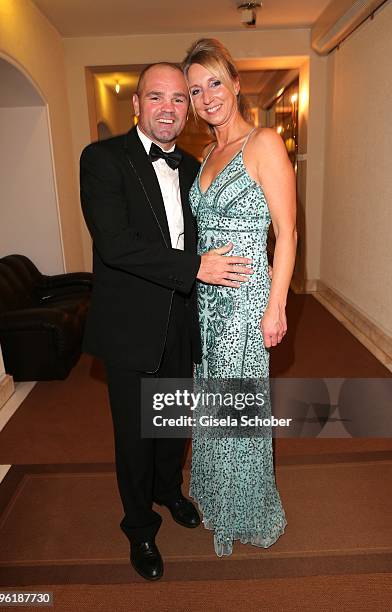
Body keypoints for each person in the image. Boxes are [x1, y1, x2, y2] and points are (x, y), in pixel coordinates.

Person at [79, 62, 253, 580]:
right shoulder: (103, 159)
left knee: (174, 425)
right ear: (136, 105)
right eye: (157, 98)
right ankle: (139, 527)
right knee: (134, 436)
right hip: (131, 324)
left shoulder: (196, 164)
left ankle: (168, 492)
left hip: (184, 319)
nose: (169, 109)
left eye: (180, 99)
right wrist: (196, 266)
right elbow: (116, 245)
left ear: (189, 110)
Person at [181, 39, 297, 556]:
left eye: (213, 82)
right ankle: (217, 495)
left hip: (244, 303)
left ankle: (245, 508)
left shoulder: (264, 142)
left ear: (235, 82)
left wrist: (277, 305)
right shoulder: (206, 152)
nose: (206, 96)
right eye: (195, 89)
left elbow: (288, 232)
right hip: (205, 304)